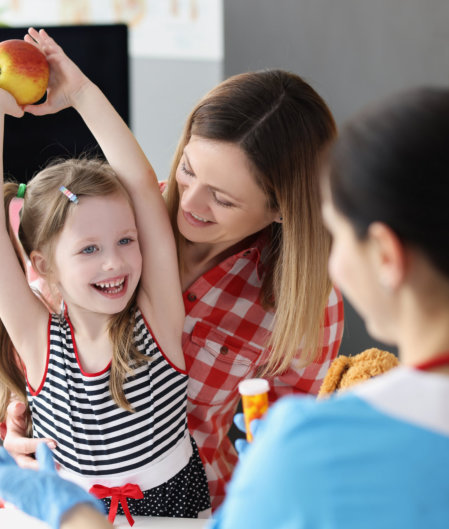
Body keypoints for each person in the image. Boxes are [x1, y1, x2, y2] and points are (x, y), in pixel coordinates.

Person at [2, 31, 344, 509]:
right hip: (61, 496)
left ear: (282, 209)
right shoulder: (98, 219)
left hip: (198, 501)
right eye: (187, 169)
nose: (188, 201)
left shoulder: (305, 300)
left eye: (222, 198)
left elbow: (291, 443)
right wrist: (8, 446)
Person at [208, 86, 449, 528]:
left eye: (336, 235)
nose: (332, 265)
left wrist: (73, 514)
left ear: (385, 256)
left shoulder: (314, 448)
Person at [0, 28, 210, 522]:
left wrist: (82, 94)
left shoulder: (156, 317)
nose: (114, 263)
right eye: (89, 249)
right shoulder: (38, 339)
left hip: (170, 510)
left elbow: (138, 181)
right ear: (43, 266)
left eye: (125, 240)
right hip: (71, 511)